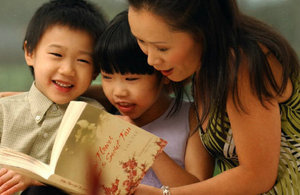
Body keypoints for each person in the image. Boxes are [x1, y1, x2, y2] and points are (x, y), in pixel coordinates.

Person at [127, 0, 300, 194]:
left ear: (202, 32)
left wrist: (164, 194)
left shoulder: (241, 63)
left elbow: (257, 175)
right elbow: (149, 90)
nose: (151, 59)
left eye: (162, 48)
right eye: (141, 41)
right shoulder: (202, 62)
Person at [94, 10, 213, 188]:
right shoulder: (104, 114)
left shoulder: (192, 117)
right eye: (107, 77)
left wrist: (145, 144)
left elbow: (198, 189)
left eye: (131, 79)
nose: (118, 92)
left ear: (163, 72)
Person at [0, 0, 107, 194]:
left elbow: (95, 183)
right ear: (30, 52)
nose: (67, 70)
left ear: (95, 72)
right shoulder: (3, 112)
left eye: (83, 60)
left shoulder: (94, 116)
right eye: (57, 54)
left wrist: (38, 179)